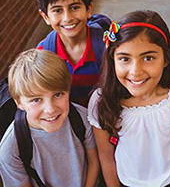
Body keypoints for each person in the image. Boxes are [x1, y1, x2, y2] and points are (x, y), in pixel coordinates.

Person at [87, 10, 170, 187]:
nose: (136, 72)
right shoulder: (101, 101)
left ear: (166, 59)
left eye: (148, 58)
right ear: (113, 60)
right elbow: (106, 156)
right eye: (124, 59)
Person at [0, 49, 99, 187]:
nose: (50, 109)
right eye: (36, 99)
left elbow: (93, 162)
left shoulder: (82, 118)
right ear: (19, 103)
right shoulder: (11, 148)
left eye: (58, 95)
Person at [36, 0, 111, 107]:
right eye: (57, 10)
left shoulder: (108, 45)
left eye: (74, 8)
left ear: (88, 9)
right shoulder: (44, 53)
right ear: (46, 16)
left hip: (106, 116)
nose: (68, 18)